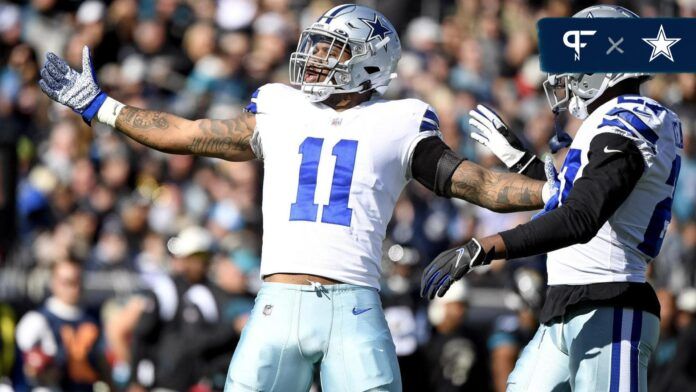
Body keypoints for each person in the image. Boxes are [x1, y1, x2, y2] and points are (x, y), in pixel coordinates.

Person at [37, 5, 550, 391]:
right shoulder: (280, 106)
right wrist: (101, 107)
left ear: (370, 64)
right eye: (318, 45)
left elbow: (478, 185)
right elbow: (189, 133)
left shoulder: (401, 122)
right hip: (279, 303)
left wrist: (556, 189)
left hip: (352, 303)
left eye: (333, 50)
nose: (316, 58)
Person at [421, 5, 684, 391]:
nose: (569, 71)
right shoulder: (612, 119)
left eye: (580, 56)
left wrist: (486, 247)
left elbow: (581, 217)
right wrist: (524, 160)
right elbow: (575, 196)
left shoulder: (631, 120)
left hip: (609, 304)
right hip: (567, 304)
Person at [15, 258, 105, 391]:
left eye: (77, 281)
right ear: (53, 283)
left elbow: (101, 364)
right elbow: (27, 370)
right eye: (67, 282)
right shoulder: (38, 320)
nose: (73, 288)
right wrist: (42, 368)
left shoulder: (92, 319)